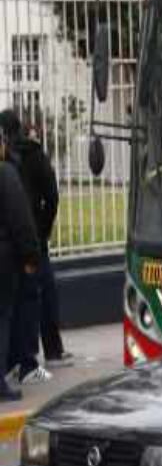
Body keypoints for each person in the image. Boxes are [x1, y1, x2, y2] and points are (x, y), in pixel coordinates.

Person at [0, 111, 71, 369]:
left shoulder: (9, 160)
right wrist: (43, 229)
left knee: (14, 305)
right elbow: (51, 196)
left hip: (10, 241)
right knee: (39, 295)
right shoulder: (34, 154)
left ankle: (15, 360)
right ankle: (46, 353)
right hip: (32, 238)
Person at [0, 126, 40, 401]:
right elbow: (21, 221)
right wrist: (31, 256)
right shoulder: (5, 174)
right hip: (3, 260)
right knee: (2, 318)